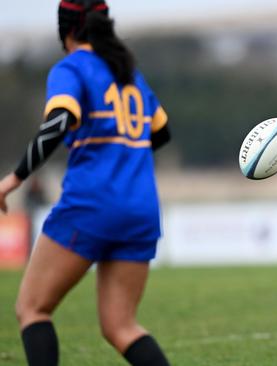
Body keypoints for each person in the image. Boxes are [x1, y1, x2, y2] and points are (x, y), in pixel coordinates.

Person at [0, 1, 171, 365]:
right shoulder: (130, 74)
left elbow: (57, 123)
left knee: (32, 308)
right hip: (140, 207)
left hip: (91, 203)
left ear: (66, 30)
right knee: (121, 327)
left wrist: (12, 180)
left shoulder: (71, 68)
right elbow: (160, 132)